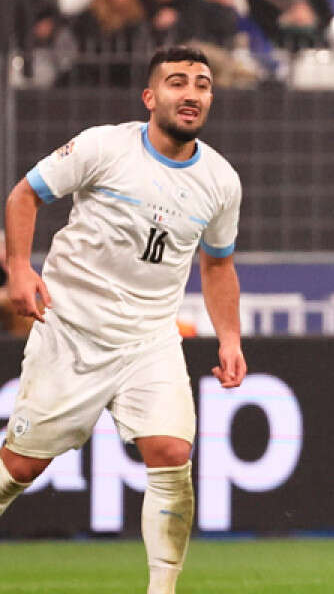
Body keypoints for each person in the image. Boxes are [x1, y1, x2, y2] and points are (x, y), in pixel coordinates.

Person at [0, 48, 244, 594]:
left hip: (149, 339)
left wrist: (229, 336)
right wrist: (18, 267)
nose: (192, 94)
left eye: (202, 85)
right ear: (150, 97)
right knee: (19, 467)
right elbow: (24, 195)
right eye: (177, 83)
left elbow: (218, 264)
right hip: (72, 330)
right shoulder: (103, 146)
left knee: (172, 452)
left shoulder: (221, 181)